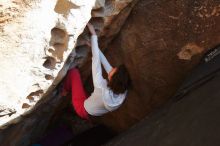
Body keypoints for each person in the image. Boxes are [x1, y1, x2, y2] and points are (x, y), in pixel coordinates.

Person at [61, 23, 131, 120]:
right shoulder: (122, 89)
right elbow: (105, 63)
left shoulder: (101, 86)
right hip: (93, 114)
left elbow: (96, 61)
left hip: (82, 108)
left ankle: (65, 90)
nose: (113, 68)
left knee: (74, 72)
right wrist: (94, 47)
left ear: (112, 78)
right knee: (85, 91)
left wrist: (93, 34)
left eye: (114, 70)